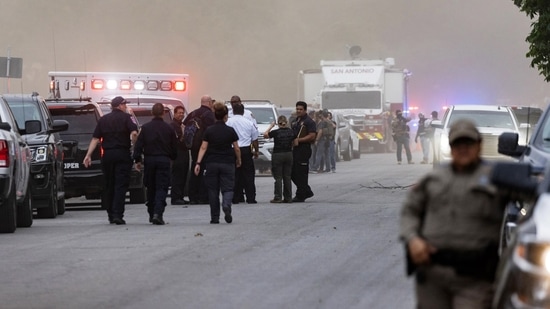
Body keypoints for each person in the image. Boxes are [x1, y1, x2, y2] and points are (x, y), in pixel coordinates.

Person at [399, 119, 507, 308]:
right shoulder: (433, 179)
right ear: (450, 146)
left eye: (468, 143)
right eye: (457, 144)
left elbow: (533, 195)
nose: (463, 148)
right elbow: (410, 211)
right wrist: (412, 239)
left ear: (479, 145)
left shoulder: (497, 179)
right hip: (433, 277)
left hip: (475, 278)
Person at [83, 96, 138, 225]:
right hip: (122, 154)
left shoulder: (103, 120)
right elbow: (134, 133)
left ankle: (110, 214)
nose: (125, 106)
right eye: (124, 104)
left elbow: (95, 139)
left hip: (107, 155)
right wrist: (133, 146)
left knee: (109, 184)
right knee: (120, 185)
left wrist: (88, 155)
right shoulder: (127, 117)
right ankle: (118, 214)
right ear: (119, 105)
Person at [194, 102, 241, 224]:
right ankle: (226, 204)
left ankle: (215, 217)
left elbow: (203, 147)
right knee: (228, 188)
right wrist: (239, 159)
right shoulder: (230, 131)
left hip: (212, 163)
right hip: (227, 162)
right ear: (225, 116)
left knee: (213, 190)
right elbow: (236, 147)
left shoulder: (209, 130)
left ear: (215, 115)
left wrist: (198, 163)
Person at [133, 103, 177, 225]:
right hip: (163, 160)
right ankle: (158, 213)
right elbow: (174, 147)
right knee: (161, 187)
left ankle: (151, 212)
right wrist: (173, 158)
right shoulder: (169, 128)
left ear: (152, 113)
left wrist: (137, 160)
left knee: (151, 187)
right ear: (163, 113)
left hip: (150, 160)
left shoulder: (145, 128)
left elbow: (139, 145)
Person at [183, 95, 216, 205]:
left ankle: (193, 196)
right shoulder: (210, 115)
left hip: (193, 146)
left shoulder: (193, 113)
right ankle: (203, 196)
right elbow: (211, 131)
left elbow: (183, 125)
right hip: (204, 146)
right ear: (209, 102)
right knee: (204, 170)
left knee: (194, 168)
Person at [226, 103, 259, 204]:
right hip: (245, 150)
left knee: (234, 175)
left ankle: (236, 198)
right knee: (248, 175)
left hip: (232, 150)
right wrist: (256, 151)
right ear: (243, 111)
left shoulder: (228, 122)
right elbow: (254, 139)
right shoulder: (248, 122)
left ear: (233, 111)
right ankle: (251, 198)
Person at [264, 115, 296, 203]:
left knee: (278, 177)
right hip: (289, 154)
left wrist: (271, 126)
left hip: (278, 154)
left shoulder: (276, 132)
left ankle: (278, 197)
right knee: (287, 176)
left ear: (278, 123)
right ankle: (288, 197)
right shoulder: (291, 132)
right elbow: (296, 143)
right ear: (286, 122)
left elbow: (265, 135)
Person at [291, 101, 317, 202]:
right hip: (295, 149)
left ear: (305, 110)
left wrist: (300, 140)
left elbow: (312, 135)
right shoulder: (296, 121)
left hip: (304, 149)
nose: (298, 111)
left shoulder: (309, 122)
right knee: (292, 172)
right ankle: (306, 190)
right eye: (297, 109)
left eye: (301, 109)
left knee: (301, 173)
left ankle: (301, 194)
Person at [170, 105, 190, 206]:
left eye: (182, 113)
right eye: (179, 113)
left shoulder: (181, 124)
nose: (181, 115)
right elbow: (179, 140)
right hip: (178, 154)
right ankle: (176, 197)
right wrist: (183, 132)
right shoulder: (173, 125)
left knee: (183, 175)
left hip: (184, 153)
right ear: (175, 113)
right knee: (177, 176)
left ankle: (180, 196)